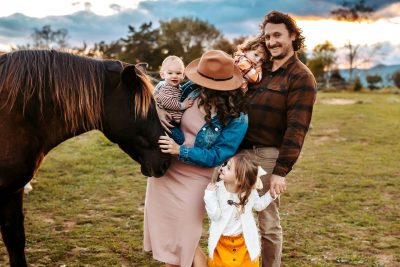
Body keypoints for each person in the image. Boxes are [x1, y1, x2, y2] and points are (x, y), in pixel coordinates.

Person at [144, 50, 248, 267]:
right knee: (168, 235)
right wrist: (160, 112)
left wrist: (180, 150)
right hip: (168, 171)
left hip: (197, 177)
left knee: (185, 237)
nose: (200, 84)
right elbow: (160, 99)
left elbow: (219, 155)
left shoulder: (237, 117)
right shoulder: (189, 89)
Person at [239, 11, 317, 267]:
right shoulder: (260, 69)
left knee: (268, 225)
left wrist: (281, 172)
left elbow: (297, 128)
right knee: (235, 219)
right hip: (238, 154)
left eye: (277, 35)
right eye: (268, 36)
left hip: (268, 157)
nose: (271, 42)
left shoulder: (301, 77)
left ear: (293, 36)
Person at [204, 153, 277, 267]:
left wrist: (271, 195)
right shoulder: (217, 189)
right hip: (221, 242)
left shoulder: (249, 192)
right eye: (225, 164)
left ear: (239, 179)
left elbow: (258, 205)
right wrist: (209, 195)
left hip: (244, 243)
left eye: (228, 168)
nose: (222, 168)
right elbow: (215, 216)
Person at [155, 56, 194, 144]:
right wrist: (183, 105)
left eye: (178, 73)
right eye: (170, 73)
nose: (174, 76)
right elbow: (168, 103)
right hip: (168, 122)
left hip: (175, 121)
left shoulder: (178, 88)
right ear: (162, 75)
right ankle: (184, 151)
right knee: (181, 139)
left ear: (183, 75)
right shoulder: (165, 87)